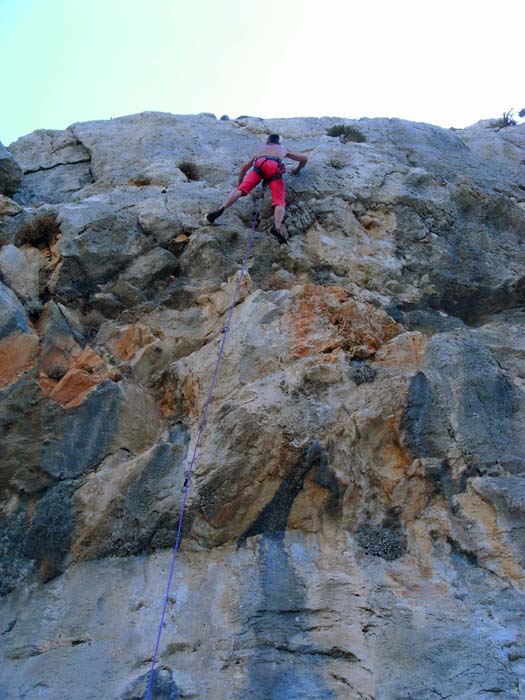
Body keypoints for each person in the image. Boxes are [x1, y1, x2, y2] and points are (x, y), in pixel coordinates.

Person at [206, 134, 308, 245]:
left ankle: (221, 208)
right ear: (279, 142)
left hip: (259, 164)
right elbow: (304, 158)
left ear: (268, 142)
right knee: (279, 201)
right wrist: (297, 170)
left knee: (241, 190)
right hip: (274, 166)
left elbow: (245, 167)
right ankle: (277, 227)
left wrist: (239, 184)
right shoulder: (283, 148)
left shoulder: (261, 149)